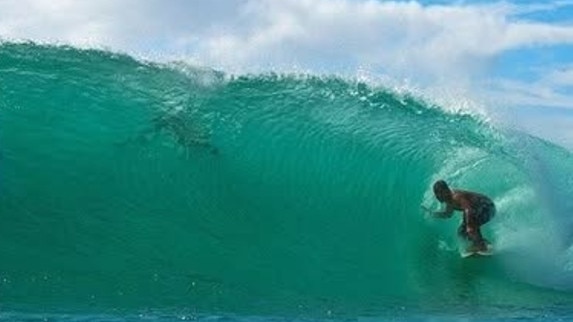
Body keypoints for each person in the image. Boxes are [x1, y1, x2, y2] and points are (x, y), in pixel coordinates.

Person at [426, 180, 495, 252]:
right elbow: (448, 214)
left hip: (487, 207)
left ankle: (480, 245)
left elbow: (468, 209)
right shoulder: (448, 200)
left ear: (445, 191)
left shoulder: (456, 197)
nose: (437, 196)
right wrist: (433, 214)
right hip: (478, 210)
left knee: (470, 227)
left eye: (439, 193)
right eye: (436, 194)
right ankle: (482, 243)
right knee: (461, 232)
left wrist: (469, 225)